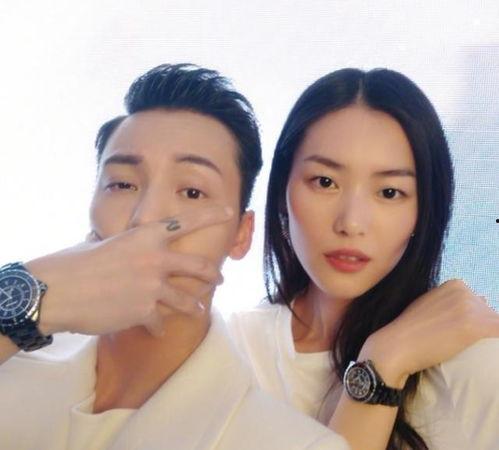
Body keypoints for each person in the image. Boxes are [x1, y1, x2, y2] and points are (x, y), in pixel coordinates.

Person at [0, 64, 349, 450]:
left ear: (241, 234)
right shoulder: (11, 355)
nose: (145, 217)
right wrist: (25, 294)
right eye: (123, 184)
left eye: (192, 192)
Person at [229, 68, 499, 450]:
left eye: (389, 192)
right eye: (325, 182)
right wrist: (383, 362)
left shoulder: (475, 367)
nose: (351, 223)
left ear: (424, 211)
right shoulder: (230, 352)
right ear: (282, 193)